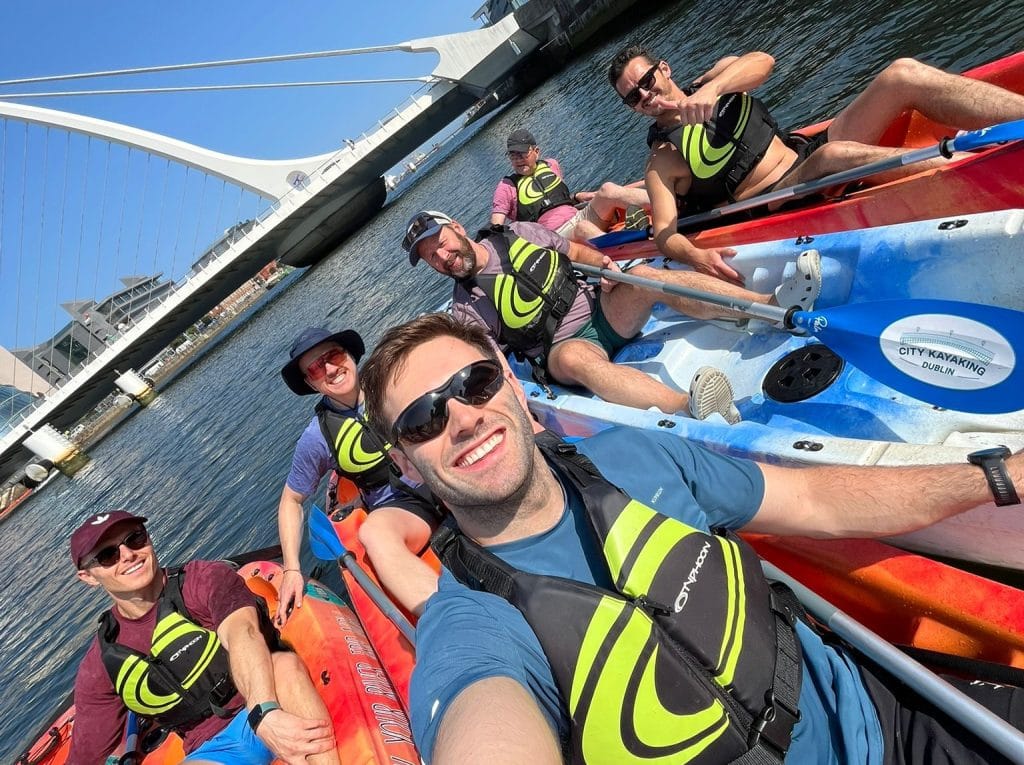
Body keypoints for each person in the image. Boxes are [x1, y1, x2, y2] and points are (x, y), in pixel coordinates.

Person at [359, 312, 1024, 765]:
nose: (464, 419)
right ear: (404, 461)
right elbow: (484, 722)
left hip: (892, 725)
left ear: (508, 377)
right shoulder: (472, 624)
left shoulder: (636, 457)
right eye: (424, 418)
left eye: (473, 383)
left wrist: (995, 473)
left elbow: (816, 498)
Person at [607, 46, 1024, 284]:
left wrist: (715, 88)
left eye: (646, 81)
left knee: (900, 74)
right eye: (633, 97)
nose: (645, 95)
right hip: (782, 196)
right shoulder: (662, 159)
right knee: (833, 157)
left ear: (664, 68)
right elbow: (665, 233)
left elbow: (764, 61)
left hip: (806, 149)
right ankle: (992, 169)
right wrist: (696, 257)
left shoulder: (713, 79)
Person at [401, 209, 821, 422]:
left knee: (642, 276)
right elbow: (491, 363)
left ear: (455, 227)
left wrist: (606, 267)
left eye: (438, 242)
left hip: (603, 310)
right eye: (429, 256)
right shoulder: (465, 308)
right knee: (572, 360)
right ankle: (689, 406)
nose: (441, 256)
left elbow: (577, 253)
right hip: (566, 347)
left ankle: (770, 306)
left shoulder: (519, 234)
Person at [67, 510, 339, 764]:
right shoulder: (101, 663)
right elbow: (84, 755)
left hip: (272, 700)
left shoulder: (203, 580)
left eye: (135, 538)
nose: (128, 555)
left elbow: (242, 632)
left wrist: (263, 712)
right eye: (107, 555)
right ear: (88, 576)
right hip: (213, 747)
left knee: (284, 666)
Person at [277, 327, 440, 616]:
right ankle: (448, 613)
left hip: (438, 473)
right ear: (311, 383)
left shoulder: (393, 381)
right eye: (315, 368)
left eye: (333, 355)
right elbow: (291, 501)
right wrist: (291, 567)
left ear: (349, 354)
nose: (330, 369)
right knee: (375, 534)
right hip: (403, 508)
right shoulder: (317, 438)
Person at [491, 127, 650, 241]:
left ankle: (667, 202)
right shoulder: (506, 187)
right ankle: (628, 244)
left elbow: (556, 199)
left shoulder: (551, 165)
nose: (518, 159)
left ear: (536, 151)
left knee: (607, 189)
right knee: (583, 228)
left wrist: (577, 196)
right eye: (513, 156)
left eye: (522, 153)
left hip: (579, 216)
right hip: (554, 238)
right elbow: (496, 229)